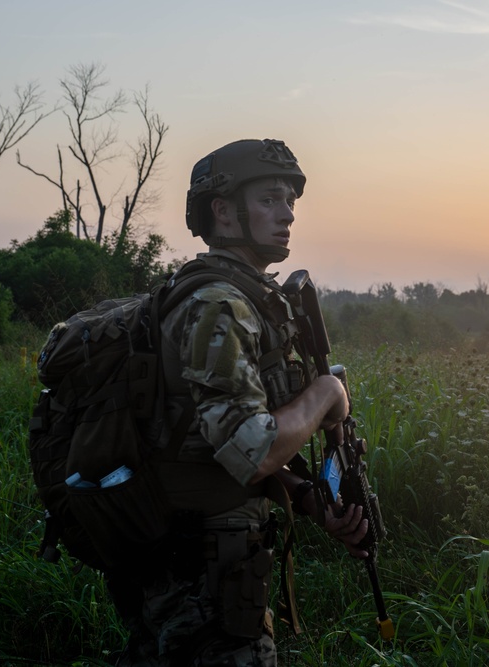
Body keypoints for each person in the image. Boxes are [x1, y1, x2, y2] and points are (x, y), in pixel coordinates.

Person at [113, 138, 368, 666]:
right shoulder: (219, 305)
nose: (287, 216)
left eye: (290, 203)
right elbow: (249, 450)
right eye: (271, 200)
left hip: (195, 557)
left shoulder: (237, 296)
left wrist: (306, 498)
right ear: (223, 211)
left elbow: (208, 439)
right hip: (204, 574)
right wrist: (325, 394)